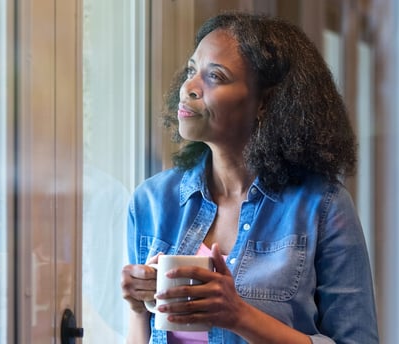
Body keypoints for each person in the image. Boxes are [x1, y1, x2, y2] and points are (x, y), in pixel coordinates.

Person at [120, 11, 379, 344]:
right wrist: (138, 308)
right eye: (191, 70)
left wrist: (238, 316)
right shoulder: (151, 202)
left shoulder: (322, 206)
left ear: (265, 103)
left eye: (215, 76)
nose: (189, 88)